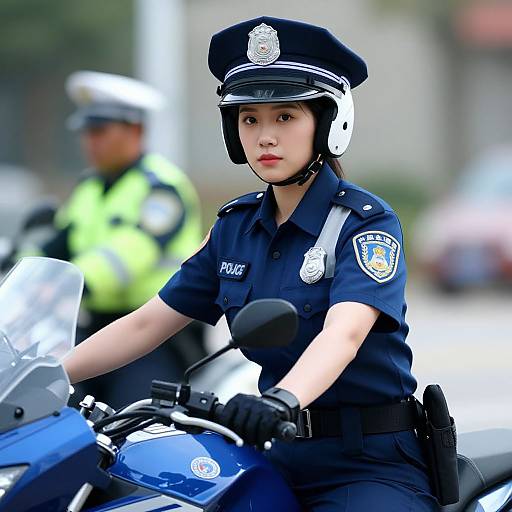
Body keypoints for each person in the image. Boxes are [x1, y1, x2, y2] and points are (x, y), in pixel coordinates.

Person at [63, 18, 439, 511]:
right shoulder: (234, 227)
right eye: (249, 119)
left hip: (368, 464)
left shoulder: (365, 224)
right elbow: (148, 322)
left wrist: (280, 400)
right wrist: (49, 376)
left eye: (285, 117)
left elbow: (342, 335)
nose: (265, 136)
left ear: (328, 123)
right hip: (269, 452)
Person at [28, 71, 206, 408]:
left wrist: (66, 285)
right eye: (85, 132)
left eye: (99, 131)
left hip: (154, 332)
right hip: (95, 327)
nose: (89, 142)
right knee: (43, 404)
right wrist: (22, 268)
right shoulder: (90, 187)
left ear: (136, 130)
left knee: (130, 425)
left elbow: (128, 254)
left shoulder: (161, 187)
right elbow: (60, 243)